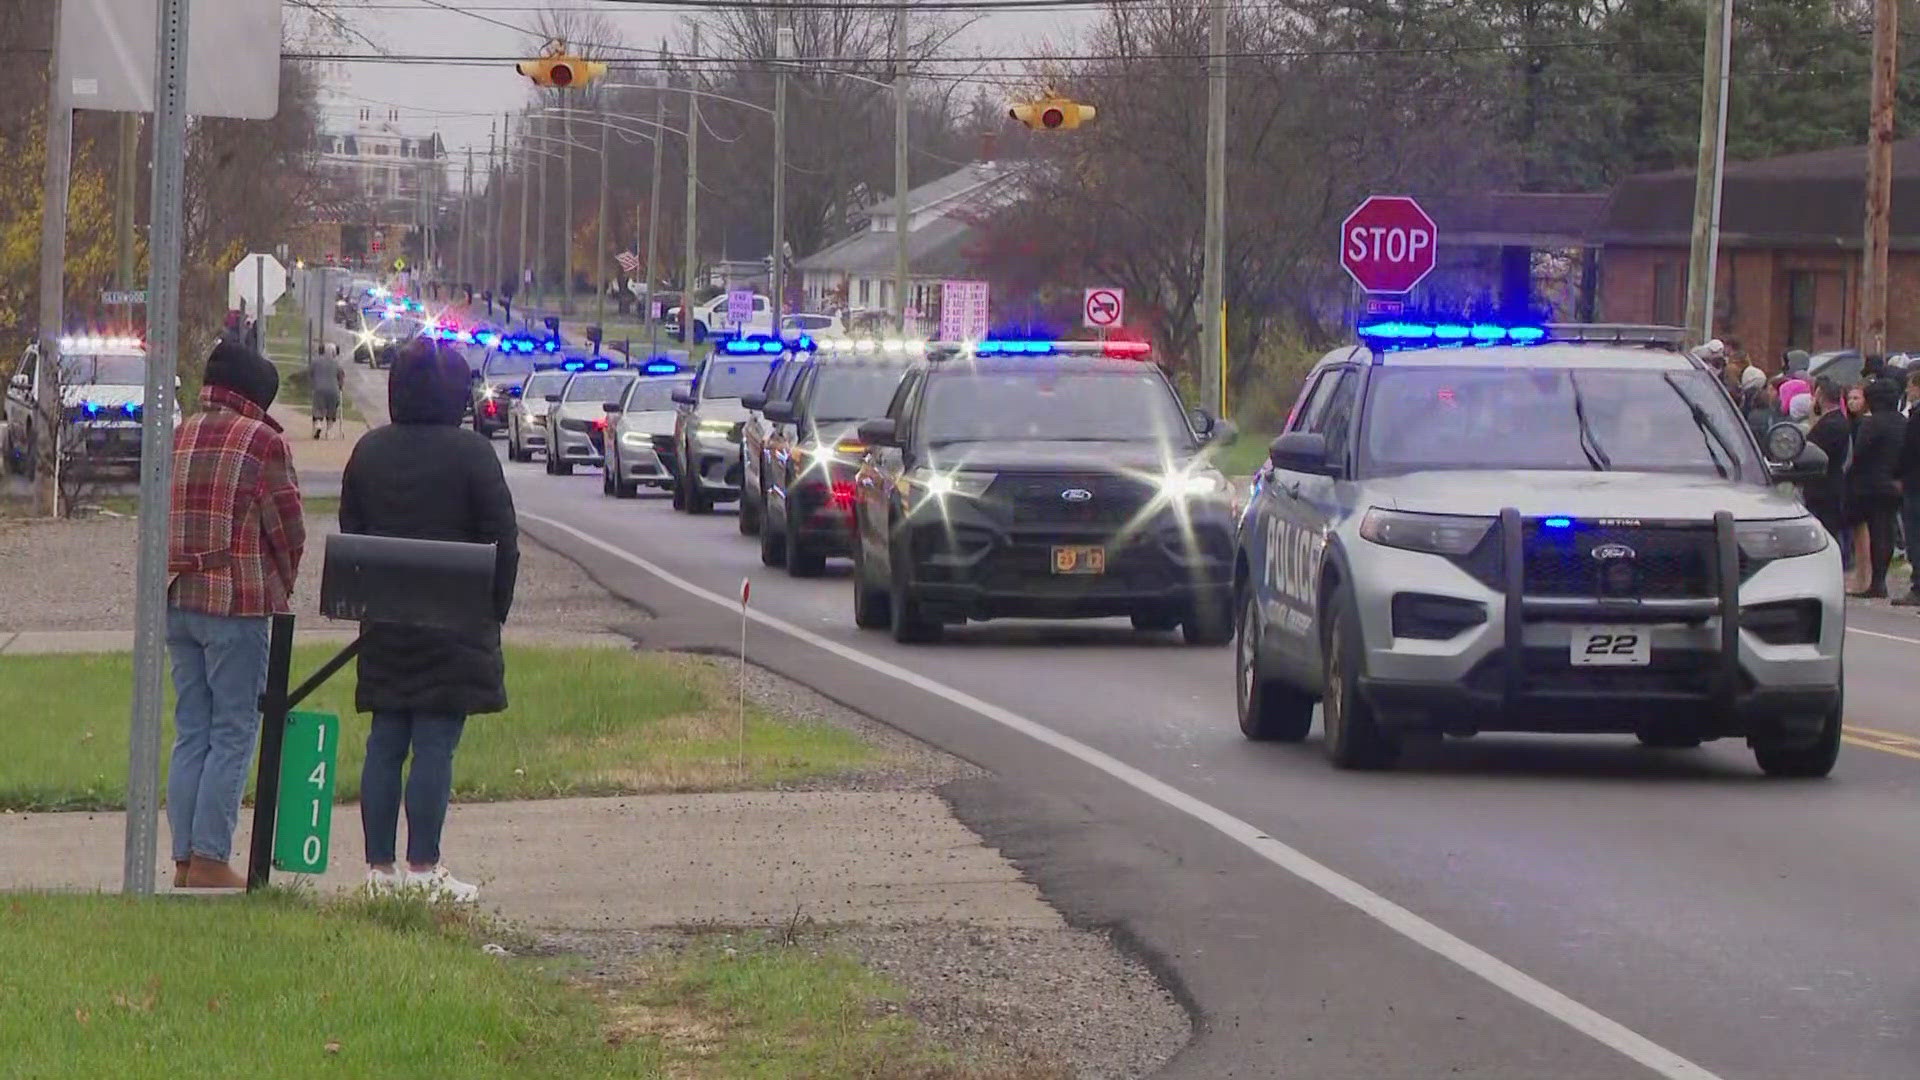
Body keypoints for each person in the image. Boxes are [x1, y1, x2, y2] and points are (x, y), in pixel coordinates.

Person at [340, 338, 519, 903]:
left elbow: (352, 533)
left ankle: (378, 870)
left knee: (386, 740)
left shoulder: (368, 453)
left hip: (385, 617)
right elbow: (503, 540)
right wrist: (494, 610)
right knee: (435, 744)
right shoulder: (472, 455)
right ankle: (424, 867)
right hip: (455, 620)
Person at [166, 342, 305, 889]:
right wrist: (282, 585)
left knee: (191, 730)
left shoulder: (179, 435)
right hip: (236, 602)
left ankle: (183, 860)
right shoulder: (263, 442)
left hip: (178, 599)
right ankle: (209, 858)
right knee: (233, 731)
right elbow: (288, 530)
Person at [1845, 378, 1906, 598]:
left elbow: (1859, 453)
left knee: (1873, 531)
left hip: (1870, 484)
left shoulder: (1871, 424)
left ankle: (1875, 582)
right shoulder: (1902, 422)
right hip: (1894, 483)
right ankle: (1879, 579)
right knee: (1886, 531)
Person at [1803, 379, 1851, 549]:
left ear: (1821, 397)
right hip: (1828, 486)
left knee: (1826, 532)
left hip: (1824, 487)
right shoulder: (1836, 421)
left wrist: (1812, 422)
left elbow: (1812, 449)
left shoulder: (1830, 424)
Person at [1893, 370, 1920, 607]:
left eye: (1911, 387)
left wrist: (1899, 475)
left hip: (1915, 483)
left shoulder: (1916, 417)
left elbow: (1909, 450)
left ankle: (1918, 587)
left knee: (1916, 536)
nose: (1908, 393)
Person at [309, 342, 344, 440]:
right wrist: (341, 387)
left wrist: (313, 383)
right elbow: (341, 377)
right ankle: (329, 432)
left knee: (318, 408)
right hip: (334, 390)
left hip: (319, 389)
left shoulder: (315, 362)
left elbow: (310, 373)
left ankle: (318, 424)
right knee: (332, 410)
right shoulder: (337, 363)